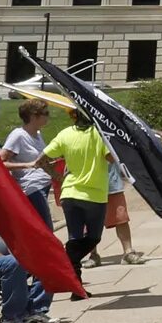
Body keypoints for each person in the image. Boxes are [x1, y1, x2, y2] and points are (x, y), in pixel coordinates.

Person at [42, 104, 113, 274]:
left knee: (74, 238)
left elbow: (41, 160)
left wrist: (57, 176)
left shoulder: (65, 134)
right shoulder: (100, 135)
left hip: (70, 193)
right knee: (94, 237)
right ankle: (66, 262)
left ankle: (75, 285)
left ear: (74, 116)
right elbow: (111, 158)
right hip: (94, 195)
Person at [1, 97, 56, 228]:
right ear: (33, 116)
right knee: (46, 227)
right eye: (45, 113)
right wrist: (28, 164)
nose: (48, 117)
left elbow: (40, 161)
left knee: (40, 227)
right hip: (32, 187)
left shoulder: (38, 134)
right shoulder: (18, 135)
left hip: (43, 185)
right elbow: (0, 162)